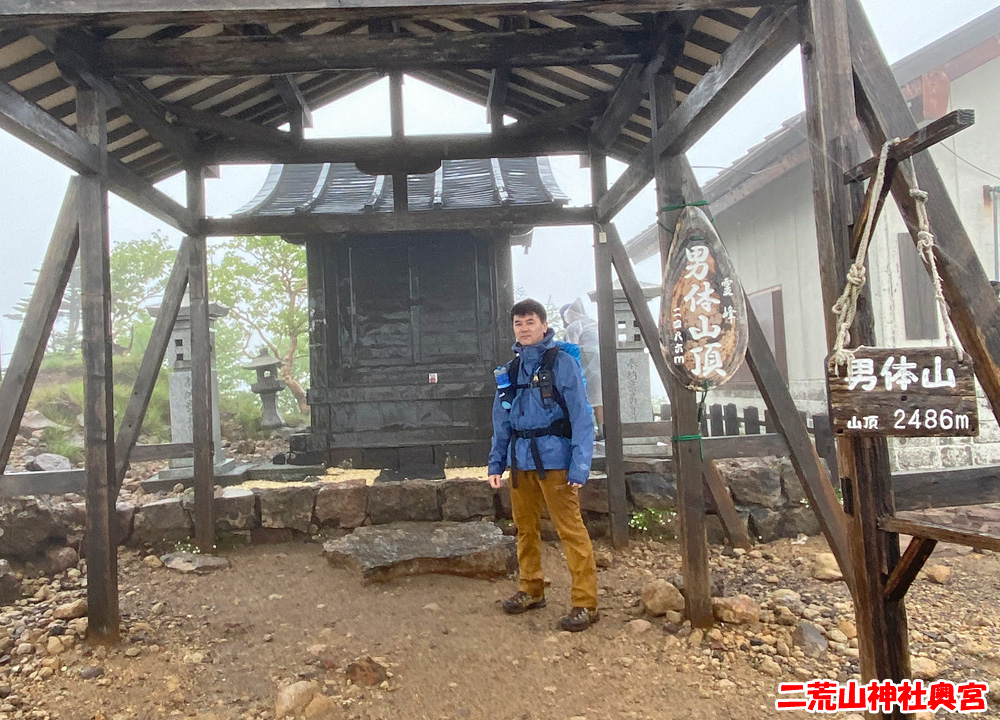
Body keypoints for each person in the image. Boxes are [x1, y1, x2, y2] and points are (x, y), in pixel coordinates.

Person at [488, 298, 599, 632]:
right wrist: (497, 463)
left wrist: (580, 466)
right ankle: (531, 588)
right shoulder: (509, 371)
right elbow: (501, 421)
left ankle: (585, 602)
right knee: (525, 528)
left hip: (556, 462)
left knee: (570, 529)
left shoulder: (562, 363)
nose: (524, 328)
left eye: (530, 322)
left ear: (544, 325)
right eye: (519, 323)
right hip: (520, 462)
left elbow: (582, 416)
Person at [560, 299, 604, 439]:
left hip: (584, 363)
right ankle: (603, 430)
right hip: (602, 363)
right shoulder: (593, 323)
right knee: (599, 398)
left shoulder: (574, 326)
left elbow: (570, 349)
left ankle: (587, 431)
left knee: (585, 398)